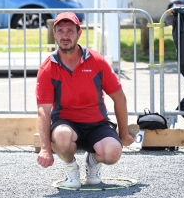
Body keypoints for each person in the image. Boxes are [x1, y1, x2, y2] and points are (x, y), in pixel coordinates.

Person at [35, 12, 135, 188]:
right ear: (54, 34)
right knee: (62, 136)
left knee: (113, 153)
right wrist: (45, 148)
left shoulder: (97, 61)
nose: (65, 35)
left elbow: (119, 97)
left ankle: (93, 162)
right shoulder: (47, 67)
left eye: (70, 31)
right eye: (60, 31)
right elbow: (43, 110)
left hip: (97, 123)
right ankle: (70, 169)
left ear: (79, 33)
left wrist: (124, 133)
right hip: (65, 123)